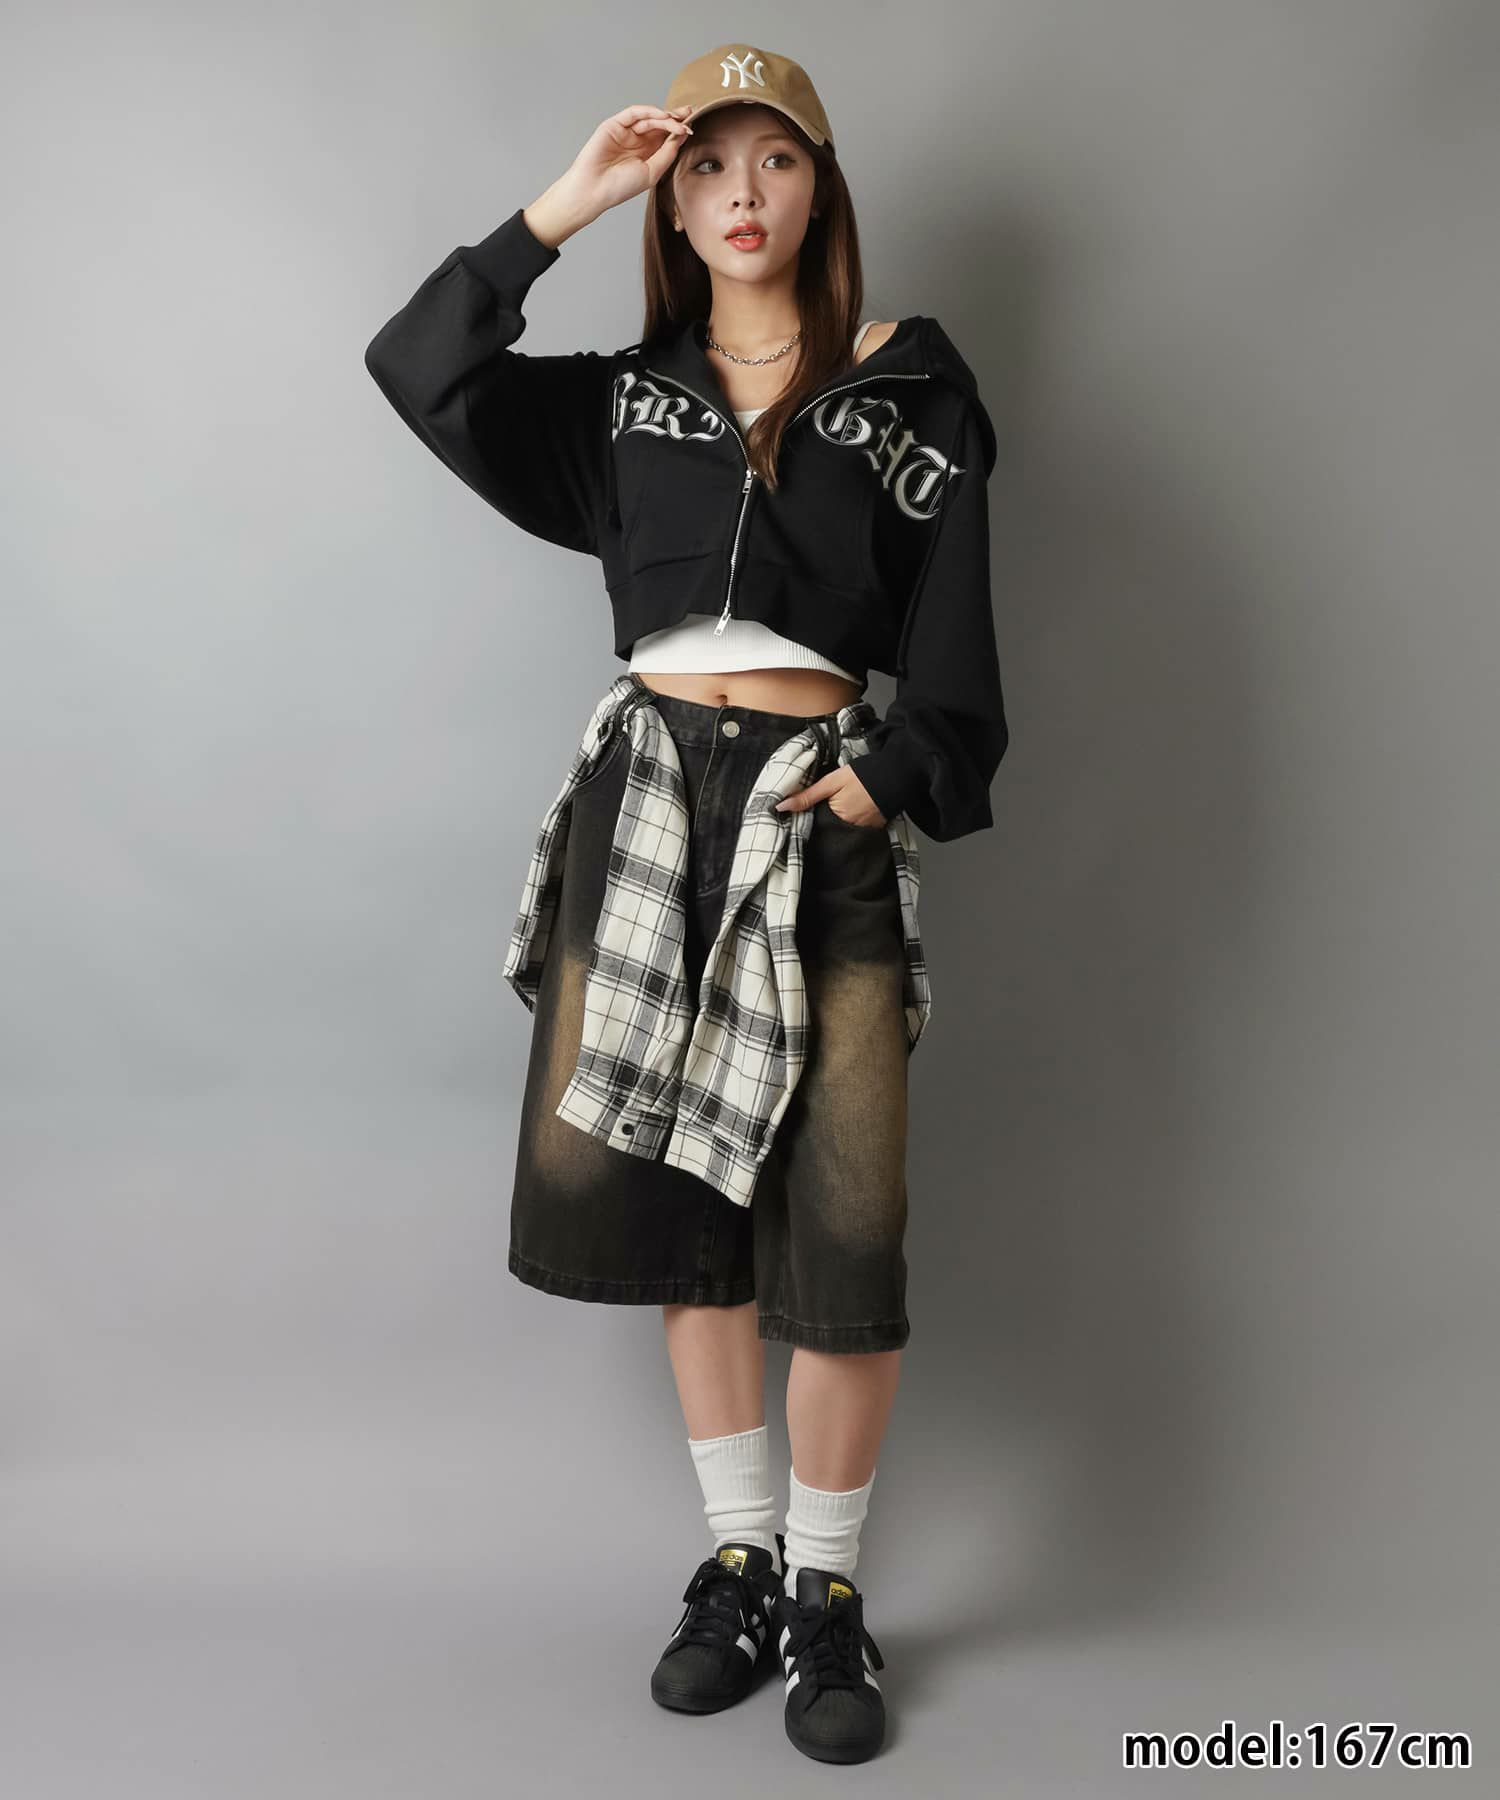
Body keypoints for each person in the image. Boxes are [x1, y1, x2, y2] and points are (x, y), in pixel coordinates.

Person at [364, 42, 1009, 1766]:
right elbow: (419, 364)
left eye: (773, 160)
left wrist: (891, 775)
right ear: (672, 199)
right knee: (682, 1211)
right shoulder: (620, 405)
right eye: (705, 164)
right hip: (648, 810)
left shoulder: (911, 392)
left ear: (820, 190)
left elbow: (958, 636)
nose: (739, 192)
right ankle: (738, 1563)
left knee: (843, 1220)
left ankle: (829, 1592)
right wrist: (569, 201)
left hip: (816, 812)